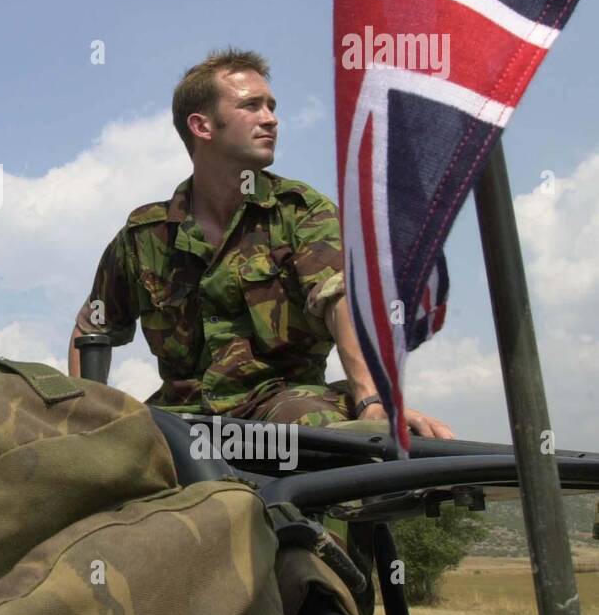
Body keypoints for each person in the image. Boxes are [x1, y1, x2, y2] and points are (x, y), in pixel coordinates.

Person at [68, 48, 453, 437]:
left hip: (282, 403)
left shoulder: (301, 212)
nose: (271, 119)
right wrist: (87, 419)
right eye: (251, 106)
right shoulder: (145, 235)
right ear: (202, 126)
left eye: (271, 106)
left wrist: (372, 401)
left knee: (318, 434)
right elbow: (92, 328)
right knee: (104, 452)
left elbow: (341, 300)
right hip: (183, 413)